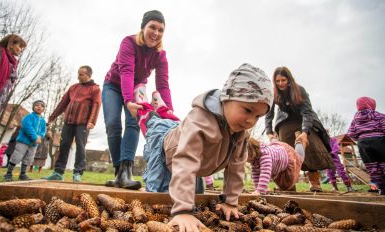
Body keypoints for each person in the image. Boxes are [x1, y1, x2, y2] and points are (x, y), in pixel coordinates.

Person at [136, 63, 273, 231]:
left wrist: (230, 202)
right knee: (158, 196)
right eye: (247, 110)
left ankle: (162, 110)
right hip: (167, 153)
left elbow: (236, 167)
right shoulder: (200, 120)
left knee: (194, 193)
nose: (251, 121)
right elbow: (185, 160)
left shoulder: (240, 133)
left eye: (257, 116)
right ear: (227, 98)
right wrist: (183, 210)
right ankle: (146, 112)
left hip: (196, 161)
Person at [103, 10, 174, 190]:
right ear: (143, 27)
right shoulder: (129, 42)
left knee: (134, 123)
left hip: (137, 87)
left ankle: (126, 171)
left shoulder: (160, 55)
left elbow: (163, 84)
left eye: (161, 30)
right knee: (113, 124)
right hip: (113, 85)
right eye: (152, 27)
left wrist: (169, 110)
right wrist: (128, 101)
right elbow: (127, 71)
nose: (156, 33)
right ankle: (118, 170)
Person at [265, 66, 334, 192]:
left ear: (289, 79)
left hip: (303, 120)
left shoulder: (300, 90)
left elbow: (307, 112)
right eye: (278, 81)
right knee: (286, 153)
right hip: (284, 123)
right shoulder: (273, 93)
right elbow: (269, 114)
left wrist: (305, 132)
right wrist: (269, 132)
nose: (281, 83)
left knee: (310, 148)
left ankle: (315, 183)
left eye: (283, 80)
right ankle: (288, 185)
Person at [45, 65, 101, 182]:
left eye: (81, 74)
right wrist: (52, 117)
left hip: (83, 124)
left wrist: (92, 121)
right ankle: (58, 172)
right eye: (78, 74)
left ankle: (77, 173)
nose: (78, 76)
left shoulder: (95, 89)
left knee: (80, 147)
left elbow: (96, 105)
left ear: (88, 75)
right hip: (68, 122)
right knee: (64, 145)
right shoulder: (73, 88)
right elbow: (63, 103)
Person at [347, 96, 385, 195]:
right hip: (379, 141)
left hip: (363, 143)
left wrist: (361, 137)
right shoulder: (379, 115)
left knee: (372, 167)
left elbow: (351, 134)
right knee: (383, 165)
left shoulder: (355, 119)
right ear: (372, 105)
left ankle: (375, 188)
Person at [3, 100, 46, 181]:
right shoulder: (29, 117)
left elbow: (43, 130)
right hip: (23, 142)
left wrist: (40, 136)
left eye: (41, 106)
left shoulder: (43, 121)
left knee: (28, 158)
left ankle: (23, 174)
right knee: (16, 156)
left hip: (33, 144)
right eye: (37, 105)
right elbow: (27, 127)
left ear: (43, 109)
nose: (39, 107)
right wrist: (35, 137)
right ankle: (8, 173)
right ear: (33, 107)